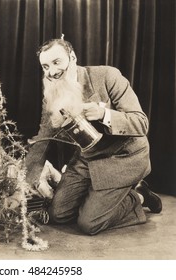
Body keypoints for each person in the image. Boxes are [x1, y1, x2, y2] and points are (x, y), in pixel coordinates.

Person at [25, 37, 162, 235]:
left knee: (89, 223)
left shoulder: (107, 75)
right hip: (87, 159)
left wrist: (104, 114)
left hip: (122, 157)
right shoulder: (52, 95)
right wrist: (28, 179)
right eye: (45, 67)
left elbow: (141, 122)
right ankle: (99, 198)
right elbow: (43, 140)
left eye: (57, 62)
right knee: (58, 214)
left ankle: (139, 196)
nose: (52, 72)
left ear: (72, 57)